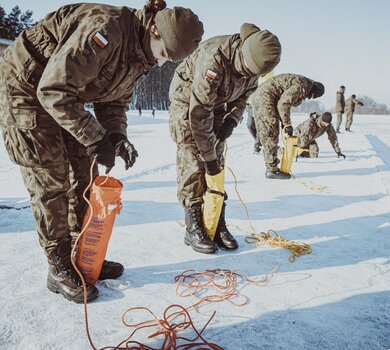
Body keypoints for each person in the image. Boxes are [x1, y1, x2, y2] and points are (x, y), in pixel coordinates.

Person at [0, 0, 203, 303]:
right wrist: (95, 137)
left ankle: (82, 256)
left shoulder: (140, 52)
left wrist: (117, 137)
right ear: (153, 30)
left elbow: (114, 100)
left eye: (167, 61)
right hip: (26, 90)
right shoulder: (105, 28)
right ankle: (58, 265)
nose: (159, 63)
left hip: (63, 95)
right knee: (51, 178)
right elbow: (52, 90)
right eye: (162, 54)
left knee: (83, 172)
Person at [169, 23, 281, 254]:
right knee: (194, 157)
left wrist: (233, 118)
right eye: (248, 70)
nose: (250, 76)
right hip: (189, 101)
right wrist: (207, 158)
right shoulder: (214, 58)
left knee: (217, 162)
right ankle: (193, 225)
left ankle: (216, 218)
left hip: (218, 103)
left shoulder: (254, 65)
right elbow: (198, 113)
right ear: (242, 52)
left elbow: (245, 94)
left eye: (255, 74)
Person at [250, 73, 325, 179]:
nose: (308, 97)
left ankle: (272, 166)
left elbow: (281, 101)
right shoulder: (301, 86)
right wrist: (287, 124)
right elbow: (284, 103)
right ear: (313, 89)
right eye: (311, 95)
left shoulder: (302, 82)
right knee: (270, 133)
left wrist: (283, 121)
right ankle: (272, 170)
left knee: (271, 132)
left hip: (266, 98)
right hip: (265, 99)